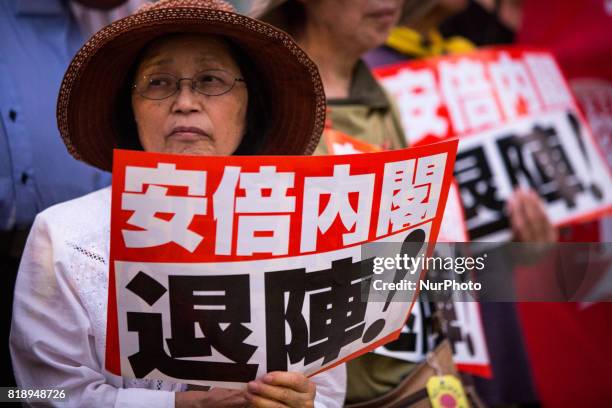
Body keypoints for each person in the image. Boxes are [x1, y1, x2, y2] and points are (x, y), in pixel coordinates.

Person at [9, 1, 344, 407]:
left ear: (249, 108)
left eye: (210, 79)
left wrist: (302, 402)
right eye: (158, 82)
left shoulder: (306, 234)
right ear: (130, 110)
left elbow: (328, 393)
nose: (185, 101)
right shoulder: (64, 236)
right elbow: (36, 394)